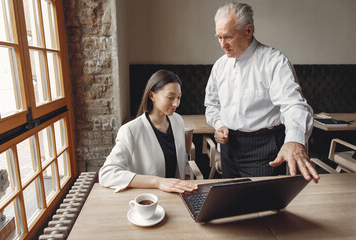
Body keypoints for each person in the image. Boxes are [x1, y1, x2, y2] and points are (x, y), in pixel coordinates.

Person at [204, 2, 320, 182]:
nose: (222, 44)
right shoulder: (220, 66)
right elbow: (211, 104)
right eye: (219, 37)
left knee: (260, 206)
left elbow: (293, 105)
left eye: (228, 36)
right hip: (229, 147)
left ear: (248, 30)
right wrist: (219, 124)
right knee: (230, 202)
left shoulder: (274, 61)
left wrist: (295, 140)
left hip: (263, 147)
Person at [99, 70, 198, 192]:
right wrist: (158, 182)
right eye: (170, 97)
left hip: (177, 195)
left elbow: (182, 159)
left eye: (179, 97)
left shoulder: (178, 120)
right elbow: (107, 173)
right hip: (149, 199)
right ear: (152, 96)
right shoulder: (130, 131)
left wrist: (186, 179)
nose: (176, 103)